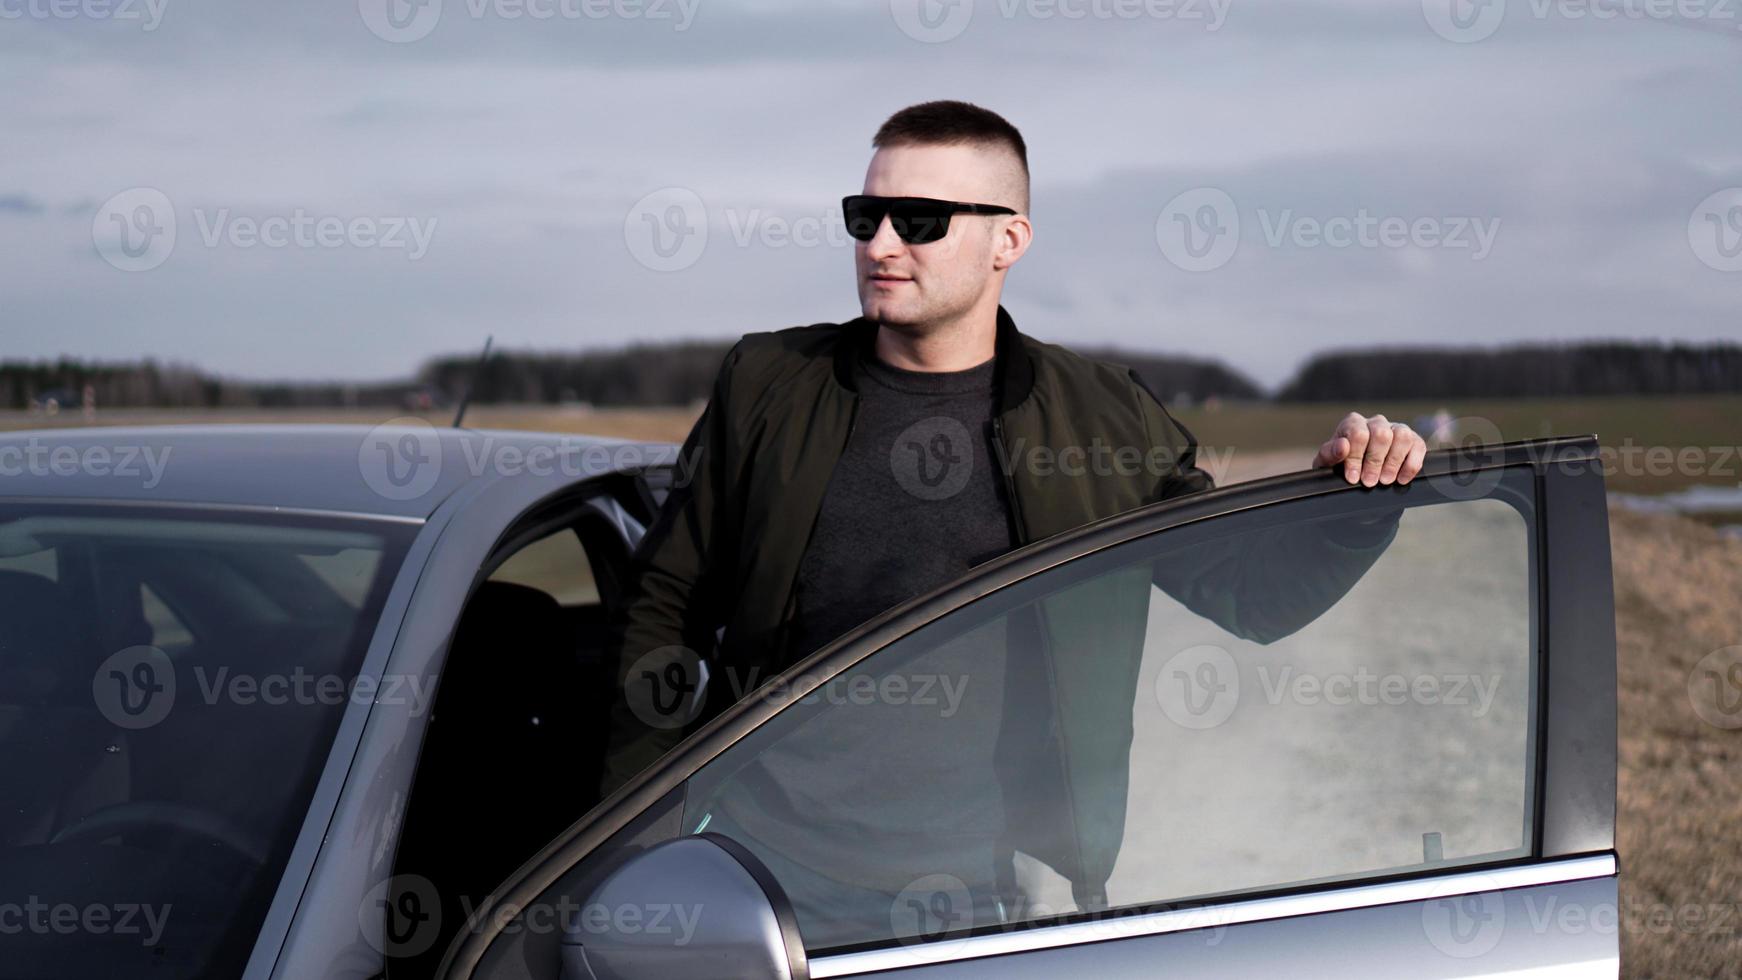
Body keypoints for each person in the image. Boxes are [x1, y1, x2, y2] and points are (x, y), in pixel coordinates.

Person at [598, 100, 1428, 925]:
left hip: (980, 891)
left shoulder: (1103, 419)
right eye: (866, 215)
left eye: (919, 219)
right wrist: (640, 839)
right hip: (762, 868)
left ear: (1009, 241)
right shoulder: (769, 382)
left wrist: (1357, 500)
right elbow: (662, 605)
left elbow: (1250, 595)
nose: (880, 244)